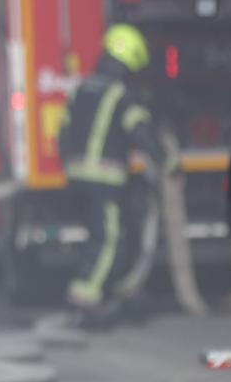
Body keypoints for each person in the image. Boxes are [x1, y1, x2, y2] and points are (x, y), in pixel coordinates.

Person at [57, 22, 160, 320]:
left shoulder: (81, 88)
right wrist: (167, 162)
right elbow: (140, 131)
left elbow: (63, 132)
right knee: (110, 239)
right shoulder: (120, 94)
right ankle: (85, 296)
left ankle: (110, 288)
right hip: (105, 179)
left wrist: (70, 166)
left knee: (99, 237)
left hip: (77, 175)